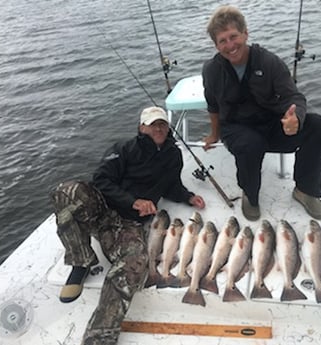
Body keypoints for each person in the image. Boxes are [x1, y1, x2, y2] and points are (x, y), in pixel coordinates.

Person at [50, 106, 205, 345]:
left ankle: (99, 336)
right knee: (65, 191)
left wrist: (187, 196)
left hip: (126, 225)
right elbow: (100, 180)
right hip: (102, 208)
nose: (159, 128)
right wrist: (133, 201)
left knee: (136, 262)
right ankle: (80, 262)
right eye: (153, 124)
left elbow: (171, 185)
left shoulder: (173, 155)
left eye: (163, 123)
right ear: (142, 127)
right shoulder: (123, 149)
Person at [202, 5, 321, 221]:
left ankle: (305, 190)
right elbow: (213, 105)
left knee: (318, 125)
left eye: (233, 36)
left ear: (245, 33)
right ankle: (250, 195)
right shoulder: (211, 70)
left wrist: (295, 118)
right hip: (235, 128)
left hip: (271, 124)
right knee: (251, 144)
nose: (230, 45)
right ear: (216, 45)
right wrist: (214, 134)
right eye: (222, 41)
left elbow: (294, 97)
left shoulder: (269, 61)